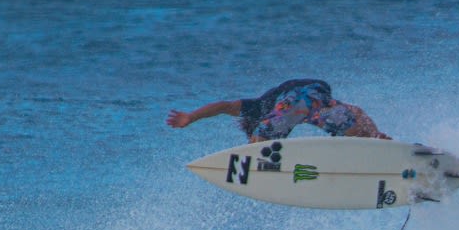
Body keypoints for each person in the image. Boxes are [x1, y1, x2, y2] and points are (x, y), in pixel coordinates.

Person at [167, 78, 390, 142]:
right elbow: (357, 111)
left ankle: (258, 159)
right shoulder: (305, 112)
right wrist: (373, 133)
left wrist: (191, 117)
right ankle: (378, 141)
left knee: (258, 143)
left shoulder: (257, 108)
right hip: (318, 96)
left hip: (292, 97)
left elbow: (224, 106)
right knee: (358, 132)